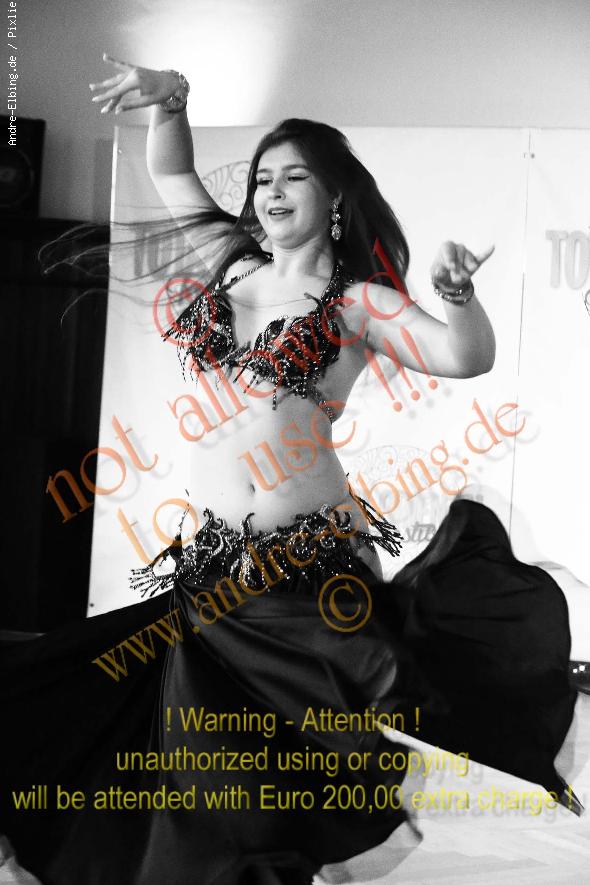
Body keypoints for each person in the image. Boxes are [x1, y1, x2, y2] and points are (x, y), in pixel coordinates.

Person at [0, 57, 578, 885]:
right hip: (211, 573)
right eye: (263, 178)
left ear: (335, 196)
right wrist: (171, 100)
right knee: (187, 759)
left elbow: (463, 355)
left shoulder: (356, 302)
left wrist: (456, 295)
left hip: (303, 572)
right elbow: (173, 173)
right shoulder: (233, 266)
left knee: (287, 764)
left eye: (293, 176)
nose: (271, 191)